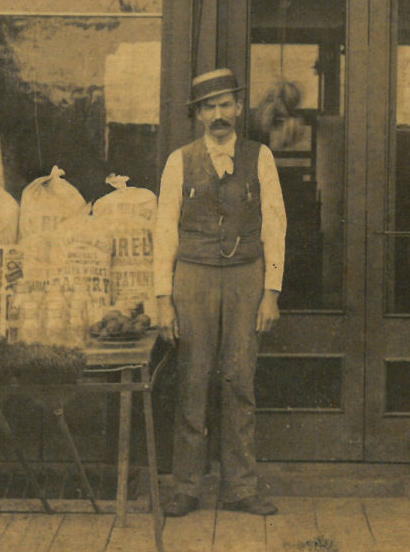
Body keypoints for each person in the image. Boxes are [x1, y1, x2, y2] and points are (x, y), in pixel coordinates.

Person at [153, 69, 287, 518]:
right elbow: (163, 231)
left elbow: (275, 226)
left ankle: (241, 488)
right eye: (208, 108)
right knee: (192, 380)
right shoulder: (180, 161)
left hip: (245, 278)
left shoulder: (260, 157)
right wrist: (161, 296)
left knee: (239, 380)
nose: (218, 115)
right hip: (192, 278)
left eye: (225, 105)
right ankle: (187, 486)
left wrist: (271, 291)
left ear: (238, 109)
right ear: (196, 116)